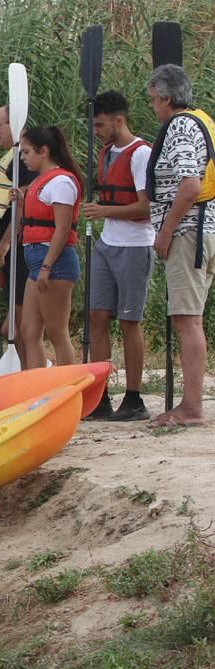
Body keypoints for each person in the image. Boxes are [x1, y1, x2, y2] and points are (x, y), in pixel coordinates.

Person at [145, 64, 215, 428]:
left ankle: (191, 408)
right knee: (191, 317)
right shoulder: (202, 120)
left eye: (153, 100)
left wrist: (166, 230)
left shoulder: (181, 126)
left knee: (187, 319)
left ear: (167, 98)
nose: (152, 107)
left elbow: (189, 185)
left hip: (189, 229)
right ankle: (191, 405)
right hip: (203, 227)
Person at [80, 90, 153, 421]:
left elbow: (146, 206)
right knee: (96, 316)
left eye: (100, 124)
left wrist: (102, 210)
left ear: (118, 120)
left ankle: (134, 397)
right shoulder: (106, 152)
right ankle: (101, 395)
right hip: (107, 243)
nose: (96, 131)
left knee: (128, 321)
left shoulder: (140, 154)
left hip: (135, 246)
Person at [15, 126, 83, 369]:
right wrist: (23, 203)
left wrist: (47, 266)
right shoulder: (40, 183)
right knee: (29, 331)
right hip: (37, 262)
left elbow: (62, 229)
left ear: (43, 151)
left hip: (54, 263)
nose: (22, 158)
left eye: (26, 152)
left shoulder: (61, 181)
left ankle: (68, 387)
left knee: (57, 332)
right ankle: (39, 388)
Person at [0, 106, 37, 366]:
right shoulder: (11, 157)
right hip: (8, 250)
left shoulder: (22, 159)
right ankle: (26, 373)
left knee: (19, 322)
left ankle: (31, 374)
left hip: (18, 250)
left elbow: (23, 204)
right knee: (12, 325)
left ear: (15, 124)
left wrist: (5, 243)